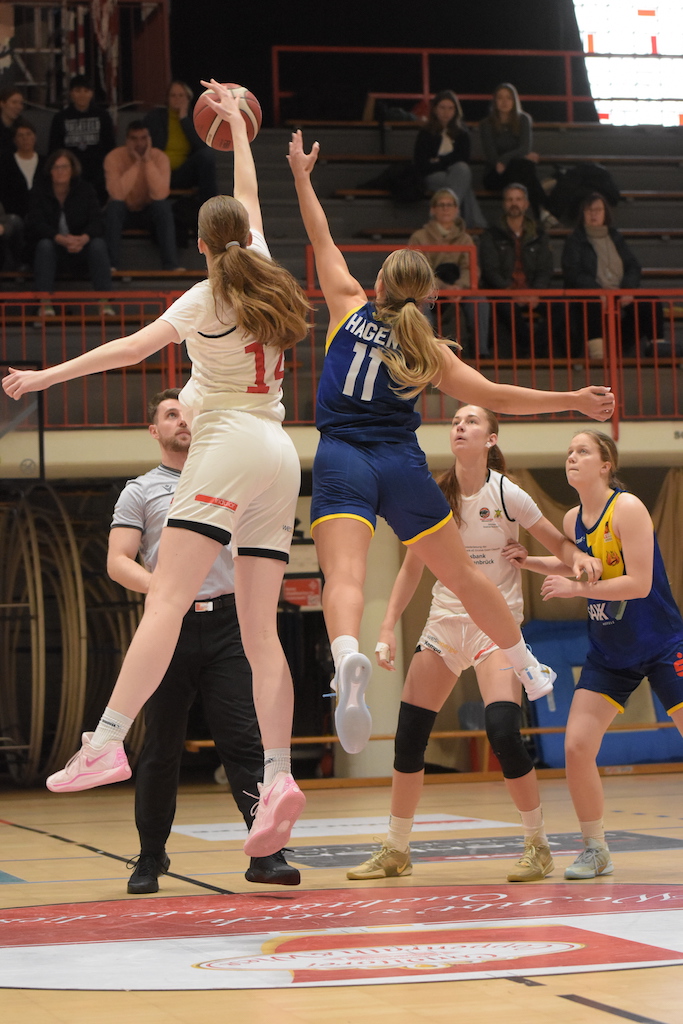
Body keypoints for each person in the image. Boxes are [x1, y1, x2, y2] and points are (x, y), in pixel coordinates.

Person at [3, 82, 311, 862]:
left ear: (202, 245)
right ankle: (276, 776)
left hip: (229, 444)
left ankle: (106, 739)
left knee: (166, 600)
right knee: (259, 631)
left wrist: (41, 378)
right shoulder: (268, 272)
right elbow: (244, 195)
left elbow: (123, 353)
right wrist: (239, 126)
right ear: (243, 236)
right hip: (280, 452)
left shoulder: (199, 298)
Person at [286, 128, 614, 757]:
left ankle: (347, 656)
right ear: (429, 297)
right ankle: (525, 665)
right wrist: (571, 398)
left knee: (345, 572)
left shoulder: (347, 304)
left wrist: (303, 175)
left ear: (379, 282)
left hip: (341, 457)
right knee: (463, 575)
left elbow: (319, 235)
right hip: (401, 462)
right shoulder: (429, 351)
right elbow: (498, 398)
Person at [347, 405, 602, 883]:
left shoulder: (507, 493)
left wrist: (575, 560)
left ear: (491, 438)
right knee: (408, 739)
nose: (459, 427)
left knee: (503, 731)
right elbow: (412, 567)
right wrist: (386, 627)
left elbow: (558, 544)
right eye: (455, 422)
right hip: (444, 626)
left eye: (470, 421)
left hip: (495, 629)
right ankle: (396, 848)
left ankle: (537, 844)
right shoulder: (433, 493)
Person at [109, 388, 300, 891]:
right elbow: (117, 561)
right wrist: (169, 591)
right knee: (161, 748)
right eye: (170, 414)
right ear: (155, 431)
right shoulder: (141, 490)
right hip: (168, 628)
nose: (181, 420)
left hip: (229, 626)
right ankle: (150, 857)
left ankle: (267, 854)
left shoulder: (234, 479)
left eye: (186, 412)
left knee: (244, 742)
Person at [506, 430, 683, 879]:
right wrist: (529, 561)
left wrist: (575, 588)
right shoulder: (571, 521)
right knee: (577, 746)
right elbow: (578, 565)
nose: (572, 457)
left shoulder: (628, 508)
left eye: (583, 451)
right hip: (610, 652)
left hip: (661, 644)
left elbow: (639, 583)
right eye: (568, 451)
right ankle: (595, 848)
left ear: (606, 464)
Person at [562, 192, 664, 359]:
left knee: (649, 303)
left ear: (605, 213)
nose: (593, 214)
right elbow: (573, 272)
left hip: (618, 293)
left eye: (598, 210)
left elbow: (633, 266)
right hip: (592, 294)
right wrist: (598, 292)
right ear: (583, 214)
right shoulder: (575, 240)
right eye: (589, 210)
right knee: (592, 303)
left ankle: (658, 350)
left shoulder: (615, 237)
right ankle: (598, 356)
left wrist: (628, 289)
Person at [24, 149, 113, 316]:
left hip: (81, 249)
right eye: (56, 167)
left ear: (72, 170)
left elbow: (98, 221)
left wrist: (83, 239)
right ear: (50, 170)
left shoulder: (85, 190)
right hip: (53, 249)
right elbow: (36, 223)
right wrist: (59, 239)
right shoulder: (39, 191)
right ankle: (45, 304)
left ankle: (104, 303)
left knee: (98, 245)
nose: (60, 171)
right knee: (44, 245)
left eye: (64, 167)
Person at [408, 187, 489, 356]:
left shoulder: (465, 238)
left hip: (459, 288)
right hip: (429, 289)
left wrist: (459, 287)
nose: (446, 208)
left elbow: (471, 268)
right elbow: (418, 269)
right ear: (433, 209)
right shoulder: (419, 237)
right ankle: (429, 354)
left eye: (450, 204)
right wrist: (443, 288)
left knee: (479, 301)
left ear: (457, 209)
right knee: (421, 306)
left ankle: (481, 352)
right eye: (441, 204)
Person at [479, 183, 556, 358]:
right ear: (504, 204)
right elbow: (490, 270)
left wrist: (535, 292)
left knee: (560, 306)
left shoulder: (539, 234)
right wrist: (512, 292)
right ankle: (529, 349)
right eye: (510, 199)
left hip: (534, 291)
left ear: (526, 204)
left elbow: (546, 268)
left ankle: (536, 349)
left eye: (519, 199)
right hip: (504, 292)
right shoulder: (492, 234)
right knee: (506, 306)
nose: (514, 203)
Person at [104, 121, 181, 272]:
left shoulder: (160, 158)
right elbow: (117, 194)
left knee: (163, 207)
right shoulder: (114, 157)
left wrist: (147, 161)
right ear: (127, 140)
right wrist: (137, 164)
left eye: (143, 138)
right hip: (124, 211)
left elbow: (160, 194)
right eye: (134, 138)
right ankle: (111, 265)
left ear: (150, 139)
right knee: (114, 207)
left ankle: (171, 265)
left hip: (148, 211)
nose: (139, 143)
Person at [412, 90, 486, 229]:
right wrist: (448, 162)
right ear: (435, 109)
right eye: (442, 107)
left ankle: (444, 221)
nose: (446, 112)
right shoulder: (425, 133)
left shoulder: (462, 134)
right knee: (464, 186)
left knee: (462, 170)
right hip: (433, 177)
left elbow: (463, 159)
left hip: (456, 173)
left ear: (456, 111)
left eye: (450, 108)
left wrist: (438, 161)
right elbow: (422, 164)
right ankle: (474, 224)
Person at [479, 83, 548, 221]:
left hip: (514, 170)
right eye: (500, 98)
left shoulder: (523, 119)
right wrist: (515, 157)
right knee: (526, 166)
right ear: (495, 101)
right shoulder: (486, 124)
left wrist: (504, 159)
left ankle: (536, 216)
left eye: (509, 98)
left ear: (514, 101)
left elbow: (525, 148)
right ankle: (543, 211)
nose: (504, 102)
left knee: (521, 167)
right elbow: (492, 156)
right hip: (495, 173)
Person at [143, 80, 218, 204]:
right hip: (159, 173)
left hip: (183, 173)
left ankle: (210, 211)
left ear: (188, 98)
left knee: (207, 155)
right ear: (167, 99)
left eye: (181, 95)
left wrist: (184, 119)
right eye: (173, 95)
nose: (177, 99)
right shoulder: (155, 118)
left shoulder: (194, 119)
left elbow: (201, 146)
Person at [48, 75, 116, 204]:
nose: (82, 95)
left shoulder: (103, 116)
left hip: (98, 176)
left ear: (92, 93)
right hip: (70, 176)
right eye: (78, 91)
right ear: (71, 93)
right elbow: (54, 150)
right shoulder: (60, 118)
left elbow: (110, 148)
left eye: (86, 91)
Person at [0, 120, 45, 270]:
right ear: (14, 140)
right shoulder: (5, 162)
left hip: (41, 213)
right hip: (14, 215)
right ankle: (19, 262)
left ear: (35, 137)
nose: (25, 139)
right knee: (15, 223)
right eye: (20, 135)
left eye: (28, 134)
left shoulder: (46, 162)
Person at [0, 86, 25, 153]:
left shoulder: (23, 127)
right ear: (2, 104)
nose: (19, 107)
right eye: (14, 102)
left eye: (21, 103)